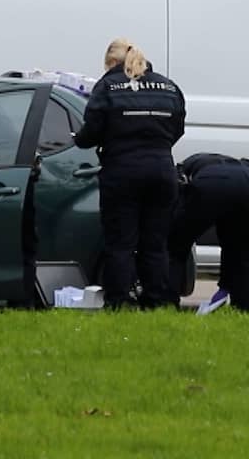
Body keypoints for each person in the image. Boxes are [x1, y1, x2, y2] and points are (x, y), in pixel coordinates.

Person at [73, 39, 186, 309]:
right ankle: (155, 301)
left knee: (121, 243)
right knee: (155, 243)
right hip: (161, 170)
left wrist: (80, 139)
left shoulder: (108, 86)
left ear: (112, 62)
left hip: (122, 172)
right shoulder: (168, 86)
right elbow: (178, 128)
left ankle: (119, 301)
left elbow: (92, 130)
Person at [167, 153, 249, 312]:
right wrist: (225, 286)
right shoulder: (245, 170)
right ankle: (245, 307)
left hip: (210, 184)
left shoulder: (190, 163)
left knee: (176, 246)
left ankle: (167, 303)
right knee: (245, 253)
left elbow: (175, 194)